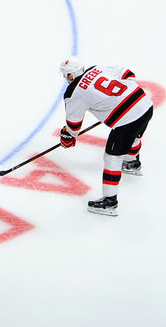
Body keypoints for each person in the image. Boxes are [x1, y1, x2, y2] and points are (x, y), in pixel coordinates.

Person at [57, 56, 154, 217]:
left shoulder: (74, 92)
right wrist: (125, 96)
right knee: (134, 135)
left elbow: (74, 126)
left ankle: (109, 202)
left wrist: (67, 136)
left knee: (112, 157)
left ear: (70, 75)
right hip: (145, 104)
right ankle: (132, 163)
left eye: (66, 75)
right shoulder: (97, 68)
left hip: (127, 120)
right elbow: (128, 73)